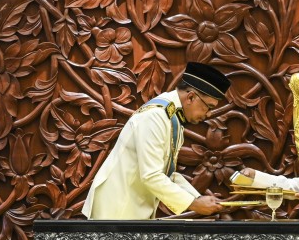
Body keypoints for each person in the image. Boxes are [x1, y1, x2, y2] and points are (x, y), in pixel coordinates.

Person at [83, 62, 230, 220]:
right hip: (117, 209)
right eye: (208, 106)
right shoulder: (155, 116)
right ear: (191, 97)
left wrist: (198, 199)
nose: (208, 114)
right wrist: (194, 204)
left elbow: (166, 174)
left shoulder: (172, 116)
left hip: (129, 208)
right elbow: (151, 176)